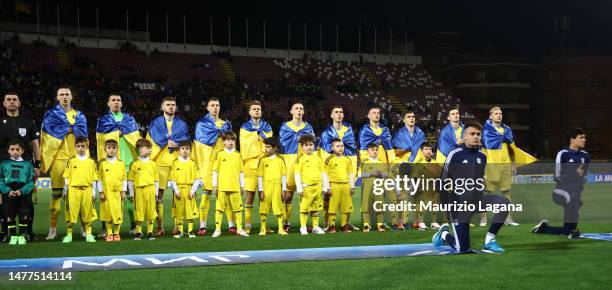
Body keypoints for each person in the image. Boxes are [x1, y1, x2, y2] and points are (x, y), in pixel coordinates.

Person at [432, 121, 510, 254]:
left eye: (478, 134)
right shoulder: (455, 154)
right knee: (462, 249)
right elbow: (442, 182)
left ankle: (489, 241)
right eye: (472, 134)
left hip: (476, 202)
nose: (476, 137)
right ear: (464, 136)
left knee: (504, 203)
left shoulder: (482, 157)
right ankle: (444, 234)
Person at [41, 87, 88, 240]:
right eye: (61, 94)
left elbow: (83, 135)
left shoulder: (80, 115)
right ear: (57, 97)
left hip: (77, 159)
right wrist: (68, 129)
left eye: (67, 94)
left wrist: (69, 129)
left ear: (71, 96)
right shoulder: (51, 114)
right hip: (58, 159)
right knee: (56, 195)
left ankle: (84, 228)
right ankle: (52, 230)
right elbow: (47, 134)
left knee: (80, 195)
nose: (65, 97)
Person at [480, 107, 536, 227]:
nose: (499, 115)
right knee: (486, 192)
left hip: (506, 164)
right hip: (491, 164)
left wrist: (514, 163)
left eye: (500, 114)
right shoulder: (485, 131)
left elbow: (512, 148)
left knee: (506, 191)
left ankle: (508, 218)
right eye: (496, 114)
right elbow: (482, 150)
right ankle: (483, 218)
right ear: (490, 116)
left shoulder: (507, 130)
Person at [531, 127, 590, 239]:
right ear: (572, 140)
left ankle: (544, 228)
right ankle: (571, 230)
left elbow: (584, 176)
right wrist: (575, 174)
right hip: (560, 192)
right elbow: (557, 176)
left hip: (575, 193)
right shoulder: (563, 154)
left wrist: (577, 176)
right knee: (573, 201)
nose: (584, 140)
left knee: (568, 230)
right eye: (581, 137)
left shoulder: (585, 156)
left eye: (585, 137)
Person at [96, 94, 140, 236]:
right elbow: (100, 141)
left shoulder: (129, 120)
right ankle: (106, 228)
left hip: (128, 163)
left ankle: (133, 226)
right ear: (108, 103)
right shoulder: (103, 121)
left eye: (118, 100)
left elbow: (136, 139)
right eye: (113, 100)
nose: (116, 102)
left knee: (129, 196)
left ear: (121, 103)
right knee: (106, 197)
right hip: (109, 164)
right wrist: (116, 133)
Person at [147, 97, 190, 236]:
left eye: (173, 104)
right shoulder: (155, 123)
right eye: (168, 104)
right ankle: (159, 227)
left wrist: (177, 145)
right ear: (162, 107)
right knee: (158, 196)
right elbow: (150, 142)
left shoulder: (182, 124)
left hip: (177, 162)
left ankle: (178, 226)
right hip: (160, 163)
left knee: (178, 195)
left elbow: (187, 141)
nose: (171, 107)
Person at [0, 93, 40, 242]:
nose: (11, 102)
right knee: (4, 200)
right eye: (8, 100)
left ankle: (28, 232)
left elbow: (35, 144)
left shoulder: (28, 122)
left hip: (26, 167)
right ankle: (5, 233)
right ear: (4, 103)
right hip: (4, 168)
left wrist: (37, 164)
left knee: (27, 200)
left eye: (14, 99)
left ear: (19, 103)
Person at [192, 97, 232, 235]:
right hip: (208, 163)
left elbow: (231, 143)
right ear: (207, 108)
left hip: (224, 163)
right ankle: (202, 225)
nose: (215, 107)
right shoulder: (202, 124)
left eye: (217, 105)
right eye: (212, 105)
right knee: (206, 193)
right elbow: (198, 146)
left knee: (226, 193)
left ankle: (231, 224)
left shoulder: (226, 124)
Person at [318, 105, 357, 230]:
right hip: (331, 169)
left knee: (347, 199)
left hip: (346, 165)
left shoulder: (349, 131)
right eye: (336, 112)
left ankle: (346, 223)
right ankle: (328, 223)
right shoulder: (326, 133)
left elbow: (352, 149)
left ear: (343, 115)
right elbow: (323, 153)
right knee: (328, 198)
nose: (339, 114)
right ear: (332, 115)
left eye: (341, 112)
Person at [359, 107, 397, 229]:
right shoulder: (364, 131)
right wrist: (368, 168)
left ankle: (388, 222)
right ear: (368, 116)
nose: (376, 115)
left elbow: (390, 150)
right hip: (371, 169)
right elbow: (363, 151)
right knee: (368, 197)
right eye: (374, 113)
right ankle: (367, 223)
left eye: (378, 113)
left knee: (387, 196)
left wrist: (392, 166)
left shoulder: (385, 130)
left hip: (384, 168)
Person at [279, 102, 315, 231]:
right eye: (296, 109)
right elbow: (282, 147)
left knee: (306, 194)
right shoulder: (284, 127)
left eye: (301, 109)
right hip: (289, 161)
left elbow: (312, 147)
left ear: (303, 112)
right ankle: (286, 222)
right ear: (291, 112)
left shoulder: (308, 128)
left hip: (304, 163)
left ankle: (305, 224)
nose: (299, 111)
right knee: (288, 195)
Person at [240, 101, 273, 233]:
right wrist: (256, 134)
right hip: (250, 164)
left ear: (261, 111)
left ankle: (264, 225)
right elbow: (244, 144)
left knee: (263, 196)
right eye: (254, 109)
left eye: (258, 109)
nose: (256, 111)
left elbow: (270, 142)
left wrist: (262, 135)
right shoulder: (244, 128)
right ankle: (247, 225)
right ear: (249, 112)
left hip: (264, 164)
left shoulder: (266, 126)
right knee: (250, 195)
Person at [61, 136, 98, 243]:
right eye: (78, 146)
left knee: (88, 213)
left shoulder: (91, 162)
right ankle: (69, 234)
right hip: (73, 190)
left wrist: (93, 191)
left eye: (83, 146)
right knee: (71, 212)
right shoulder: (71, 161)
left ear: (87, 147)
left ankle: (89, 234)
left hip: (87, 190)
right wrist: (65, 190)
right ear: (75, 147)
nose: (81, 148)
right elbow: (66, 177)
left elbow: (94, 178)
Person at [211, 132, 248, 238]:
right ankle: (217, 230)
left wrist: (242, 186)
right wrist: (214, 185)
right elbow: (215, 171)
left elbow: (241, 172)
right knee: (219, 209)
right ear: (223, 142)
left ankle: (240, 229)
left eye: (232, 140)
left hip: (235, 187)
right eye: (228, 140)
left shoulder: (238, 155)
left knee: (238, 209)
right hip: (222, 187)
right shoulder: (220, 154)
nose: (230, 141)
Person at [0, 140, 35, 245]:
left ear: (22, 151)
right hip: (9, 191)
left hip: (22, 191)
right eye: (12, 149)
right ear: (8, 151)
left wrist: (22, 191)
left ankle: (22, 236)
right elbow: (0, 179)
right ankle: (14, 236)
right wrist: (7, 190)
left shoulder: (27, 164)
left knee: (23, 214)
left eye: (17, 149)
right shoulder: (4, 164)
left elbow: (31, 181)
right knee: (10, 215)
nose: (15, 151)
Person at [295, 134, 328, 235]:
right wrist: (299, 188)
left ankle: (315, 227)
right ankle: (303, 227)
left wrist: (325, 186)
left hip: (317, 187)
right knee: (304, 208)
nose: (309, 147)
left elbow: (323, 173)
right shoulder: (300, 159)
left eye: (311, 144)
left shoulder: (318, 158)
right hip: (306, 188)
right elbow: (297, 174)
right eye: (306, 145)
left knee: (316, 208)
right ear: (302, 147)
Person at [168, 141, 201, 239]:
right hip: (178, 191)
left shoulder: (193, 163)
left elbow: (197, 179)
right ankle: (180, 231)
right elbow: (172, 179)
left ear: (190, 151)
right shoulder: (175, 163)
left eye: (187, 148)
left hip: (189, 190)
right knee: (179, 212)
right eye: (182, 148)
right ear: (178, 151)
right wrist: (176, 190)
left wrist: (193, 191)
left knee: (190, 211)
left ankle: (190, 231)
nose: (185, 151)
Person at [128, 139, 160, 241]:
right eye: (148, 148)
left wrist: (156, 193)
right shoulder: (135, 164)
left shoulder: (153, 164)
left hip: (150, 190)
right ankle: (138, 232)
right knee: (139, 211)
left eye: (151, 148)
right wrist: (132, 194)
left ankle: (150, 232)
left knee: (151, 211)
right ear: (141, 149)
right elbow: (130, 180)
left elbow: (156, 180)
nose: (150, 150)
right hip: (139, 191)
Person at [97, 139, 127, 242]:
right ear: (105, 149)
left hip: (118, 193)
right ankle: (109, 233)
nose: (111, 150)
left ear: (117, 149)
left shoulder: (121, 163)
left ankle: (117, 233)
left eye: (114, 148)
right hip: (106, 193)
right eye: (109, 148)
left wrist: (123, 191)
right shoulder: (102, 164)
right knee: (107, 213)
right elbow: (99, 179)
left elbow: (124, 179)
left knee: (118, 213)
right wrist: (100, 192)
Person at [256, 138, 288, 236]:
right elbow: (260, 176)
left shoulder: (280, 160)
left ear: (275, 148)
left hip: (277, 186)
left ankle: (280, 228)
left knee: (278, 207)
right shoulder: (262, 160)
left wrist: (284, 189)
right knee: (263, 208)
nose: (266, 149)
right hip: (266, 186)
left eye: (269, 147)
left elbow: (283, 175)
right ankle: (263, 228)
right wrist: (260, 190)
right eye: (265, 147)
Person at [324, 138, 355, 233]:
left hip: (345, 186)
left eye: (342, 146)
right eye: (338, 146)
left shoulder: (347, 160)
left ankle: (344, 225)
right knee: (332, 207)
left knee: (346, 206)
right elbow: (325, 175)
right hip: (334, 185)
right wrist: (327, 188)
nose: (340, 148)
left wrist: (352, 186)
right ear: (332, 147)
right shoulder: (329, 160)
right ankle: (331, 226)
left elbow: (350, 174)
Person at [410, 142, 442, 230]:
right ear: (422, 151)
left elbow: (439, 175)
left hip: (434, 188)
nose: (428, 151)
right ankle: (421, 222)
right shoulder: (418, 164)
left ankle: (434, 222)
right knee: (422, 206)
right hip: (423, 189)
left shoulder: (435, 163)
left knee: (434, 205)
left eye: (430, 149)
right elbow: (414, 177)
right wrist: (416, 188)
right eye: (426, 149)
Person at [359, 143, 387, 232]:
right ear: (368, 151)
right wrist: (372, 174)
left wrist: (381, 174)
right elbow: (361, 174)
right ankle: (366, 225)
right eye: (372, 150)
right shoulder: (364, 162)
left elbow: (386, 174)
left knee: (379, 206)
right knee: (366, 207)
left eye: (376, 150)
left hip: (379, 188)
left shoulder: (381, 163)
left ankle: (380, 225)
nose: (375, 151)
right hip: (367, 189)